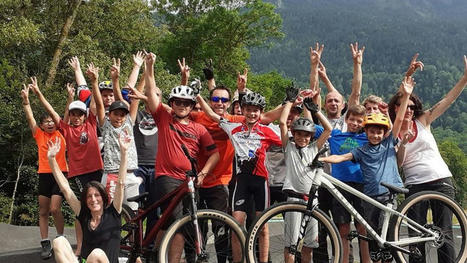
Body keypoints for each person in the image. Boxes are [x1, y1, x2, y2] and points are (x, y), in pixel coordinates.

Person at [321, 75, 415, 262]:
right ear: (366, 131)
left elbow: (396, 122)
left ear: (384, 132)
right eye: (371, 131)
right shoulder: (361, 149)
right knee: (373, 235)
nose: (375, 134)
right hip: (369, 195)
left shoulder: (388, 142)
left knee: (384, 233)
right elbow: (341, 157)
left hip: (387, 192)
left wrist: (405, 96)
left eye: (379, 131)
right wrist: (322, 159)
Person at [140, 52, 219, 262]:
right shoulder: (164, 118)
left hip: (190, 180)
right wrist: (149, 68)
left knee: (171, 223)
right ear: (172, 104)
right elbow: (151, 93)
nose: (182, 105)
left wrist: (203, 173)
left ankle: (153, 254)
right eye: (177, 102)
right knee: (178, 222)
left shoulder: (199, 129)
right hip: (166, 177)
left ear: (192, 106)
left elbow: (214, 155)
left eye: (186, 103)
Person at [389, 54, 467, 263]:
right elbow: (398, 163)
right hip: (415, 185)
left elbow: (447, 101)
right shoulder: (392, 131)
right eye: (406, 106)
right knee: (416, 236)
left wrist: (464, 78)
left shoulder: (423, 121)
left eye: (413, 107)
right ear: (396, 108)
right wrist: (403, 143)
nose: (410, 110)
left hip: (441, 180)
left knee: (444, 234)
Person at [198, 89, 282, 263]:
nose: (252, 113)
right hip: (241, 182)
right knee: (236, 225)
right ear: (242, 110)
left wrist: (289, 103)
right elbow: (212, 114)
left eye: (256, 110)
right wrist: (198, 95)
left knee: (262, 227)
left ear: (260, 112)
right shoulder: (233, 127)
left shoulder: (266, 131)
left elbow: (287, 143)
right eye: (248, 109)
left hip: (261, 181)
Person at [48, 133, 130, 263]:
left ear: (103, 198)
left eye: (97, 195)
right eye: (89, 197)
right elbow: (65, 189)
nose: (93, 199)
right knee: (59, 241)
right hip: (87, 261)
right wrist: (52, 159)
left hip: (103, 260)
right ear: (85, 201)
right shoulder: (84, 214)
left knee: (96, 253)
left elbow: (120, 184)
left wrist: (124, 152)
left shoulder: (113, 213)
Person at [279, 90, 332, 262]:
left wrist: (316, 110)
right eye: (299, 134)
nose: (303, 138)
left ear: (311, 136)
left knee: (309, 245)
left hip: (312, 201)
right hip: (294, 200)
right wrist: (289, 101)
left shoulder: (314, 148)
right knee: (291, 245)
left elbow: (328, 129)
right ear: (294, 134)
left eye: (306, 135)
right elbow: (281, 123)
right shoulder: (289, 148)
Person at [20, 80, 68, 260]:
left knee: (55, 209)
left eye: (51, 121)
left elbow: (63, 114)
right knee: (43, 211)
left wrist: (70, 97)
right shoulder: (38, 134)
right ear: (41, 125)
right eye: (45, 122)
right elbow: (29, 117)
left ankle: (61, 237)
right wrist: (26, 102)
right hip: (44, 174)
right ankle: (45, 242)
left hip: (61, 173)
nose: (49, 123)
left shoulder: (61, 132)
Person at [87, 61, 141, 211]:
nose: (119, 117)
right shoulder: (105, 126)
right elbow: (98, 104)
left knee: (133, 215)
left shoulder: (129, 124)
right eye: (115, 114)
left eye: (122, 115)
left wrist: (145, 70)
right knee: (110, 213)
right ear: (108, 114)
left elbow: (135, 100)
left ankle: (131, 236)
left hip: (130, 174)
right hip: (112, 175)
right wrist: (94, 81)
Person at [325, 104, 371, 263]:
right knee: (343, 228)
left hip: (361, 185)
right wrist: (312, 108)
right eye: (352, 119)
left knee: (362, 228)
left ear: (364, 123)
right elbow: (318, 126)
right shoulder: (335, 135)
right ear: (346, 119)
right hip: (340, 185)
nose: (355, 123)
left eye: (359, 121)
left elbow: (388, 133)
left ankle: (366, 260)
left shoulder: (366, 138)